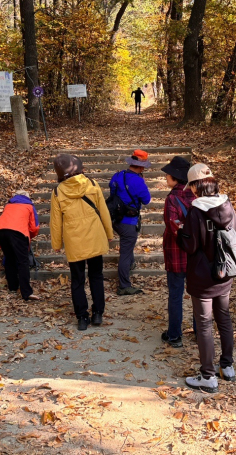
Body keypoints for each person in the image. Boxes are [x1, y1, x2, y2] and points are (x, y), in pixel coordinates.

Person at [177, 164, 236, 393]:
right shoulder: (227, 205)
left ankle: (208, 376)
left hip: (202, 276)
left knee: (204, 325)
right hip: (225, 273)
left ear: (195, 186)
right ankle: (227, 366)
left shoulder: (196, 211)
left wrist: (180, 232)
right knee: (224, 319)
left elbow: (191, 245)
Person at [50, 154, 114, 331]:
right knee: (96, 276)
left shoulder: (57, 191)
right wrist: (109, 233)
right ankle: (98, 313)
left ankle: (82, 317)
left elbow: (55, 221)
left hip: (74, 240)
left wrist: (56, 243)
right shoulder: (92, 184)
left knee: (77, 280)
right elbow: (103, 211)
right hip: (94, 236)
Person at [160, 156, 195, 348]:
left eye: (168, 174)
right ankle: (201, 332)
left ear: (175, 177)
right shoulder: (198, 195)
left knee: (175, 294)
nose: (166, 177)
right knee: (198, 295)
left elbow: (172, 226)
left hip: (176, 254)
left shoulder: (173, 198)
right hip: (197, 255)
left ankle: (174, 335)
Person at [109, 149, 152, 295]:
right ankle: (124, 286)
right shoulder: (138, 181)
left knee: (126, 244)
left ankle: (130, 264)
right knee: (126, 253)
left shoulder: (117, 175)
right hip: (129, 221)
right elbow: (146, 200)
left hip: (116, 219)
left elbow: (113, 192)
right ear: (141, 167)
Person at [0, 190, 41, 301]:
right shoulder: (29, 206)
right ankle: (26, 292)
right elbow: (34, 227)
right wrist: (28, 236)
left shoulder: (9, 205)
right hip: (17, 232)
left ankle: (13, 286)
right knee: (23, 261)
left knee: (9, 258)